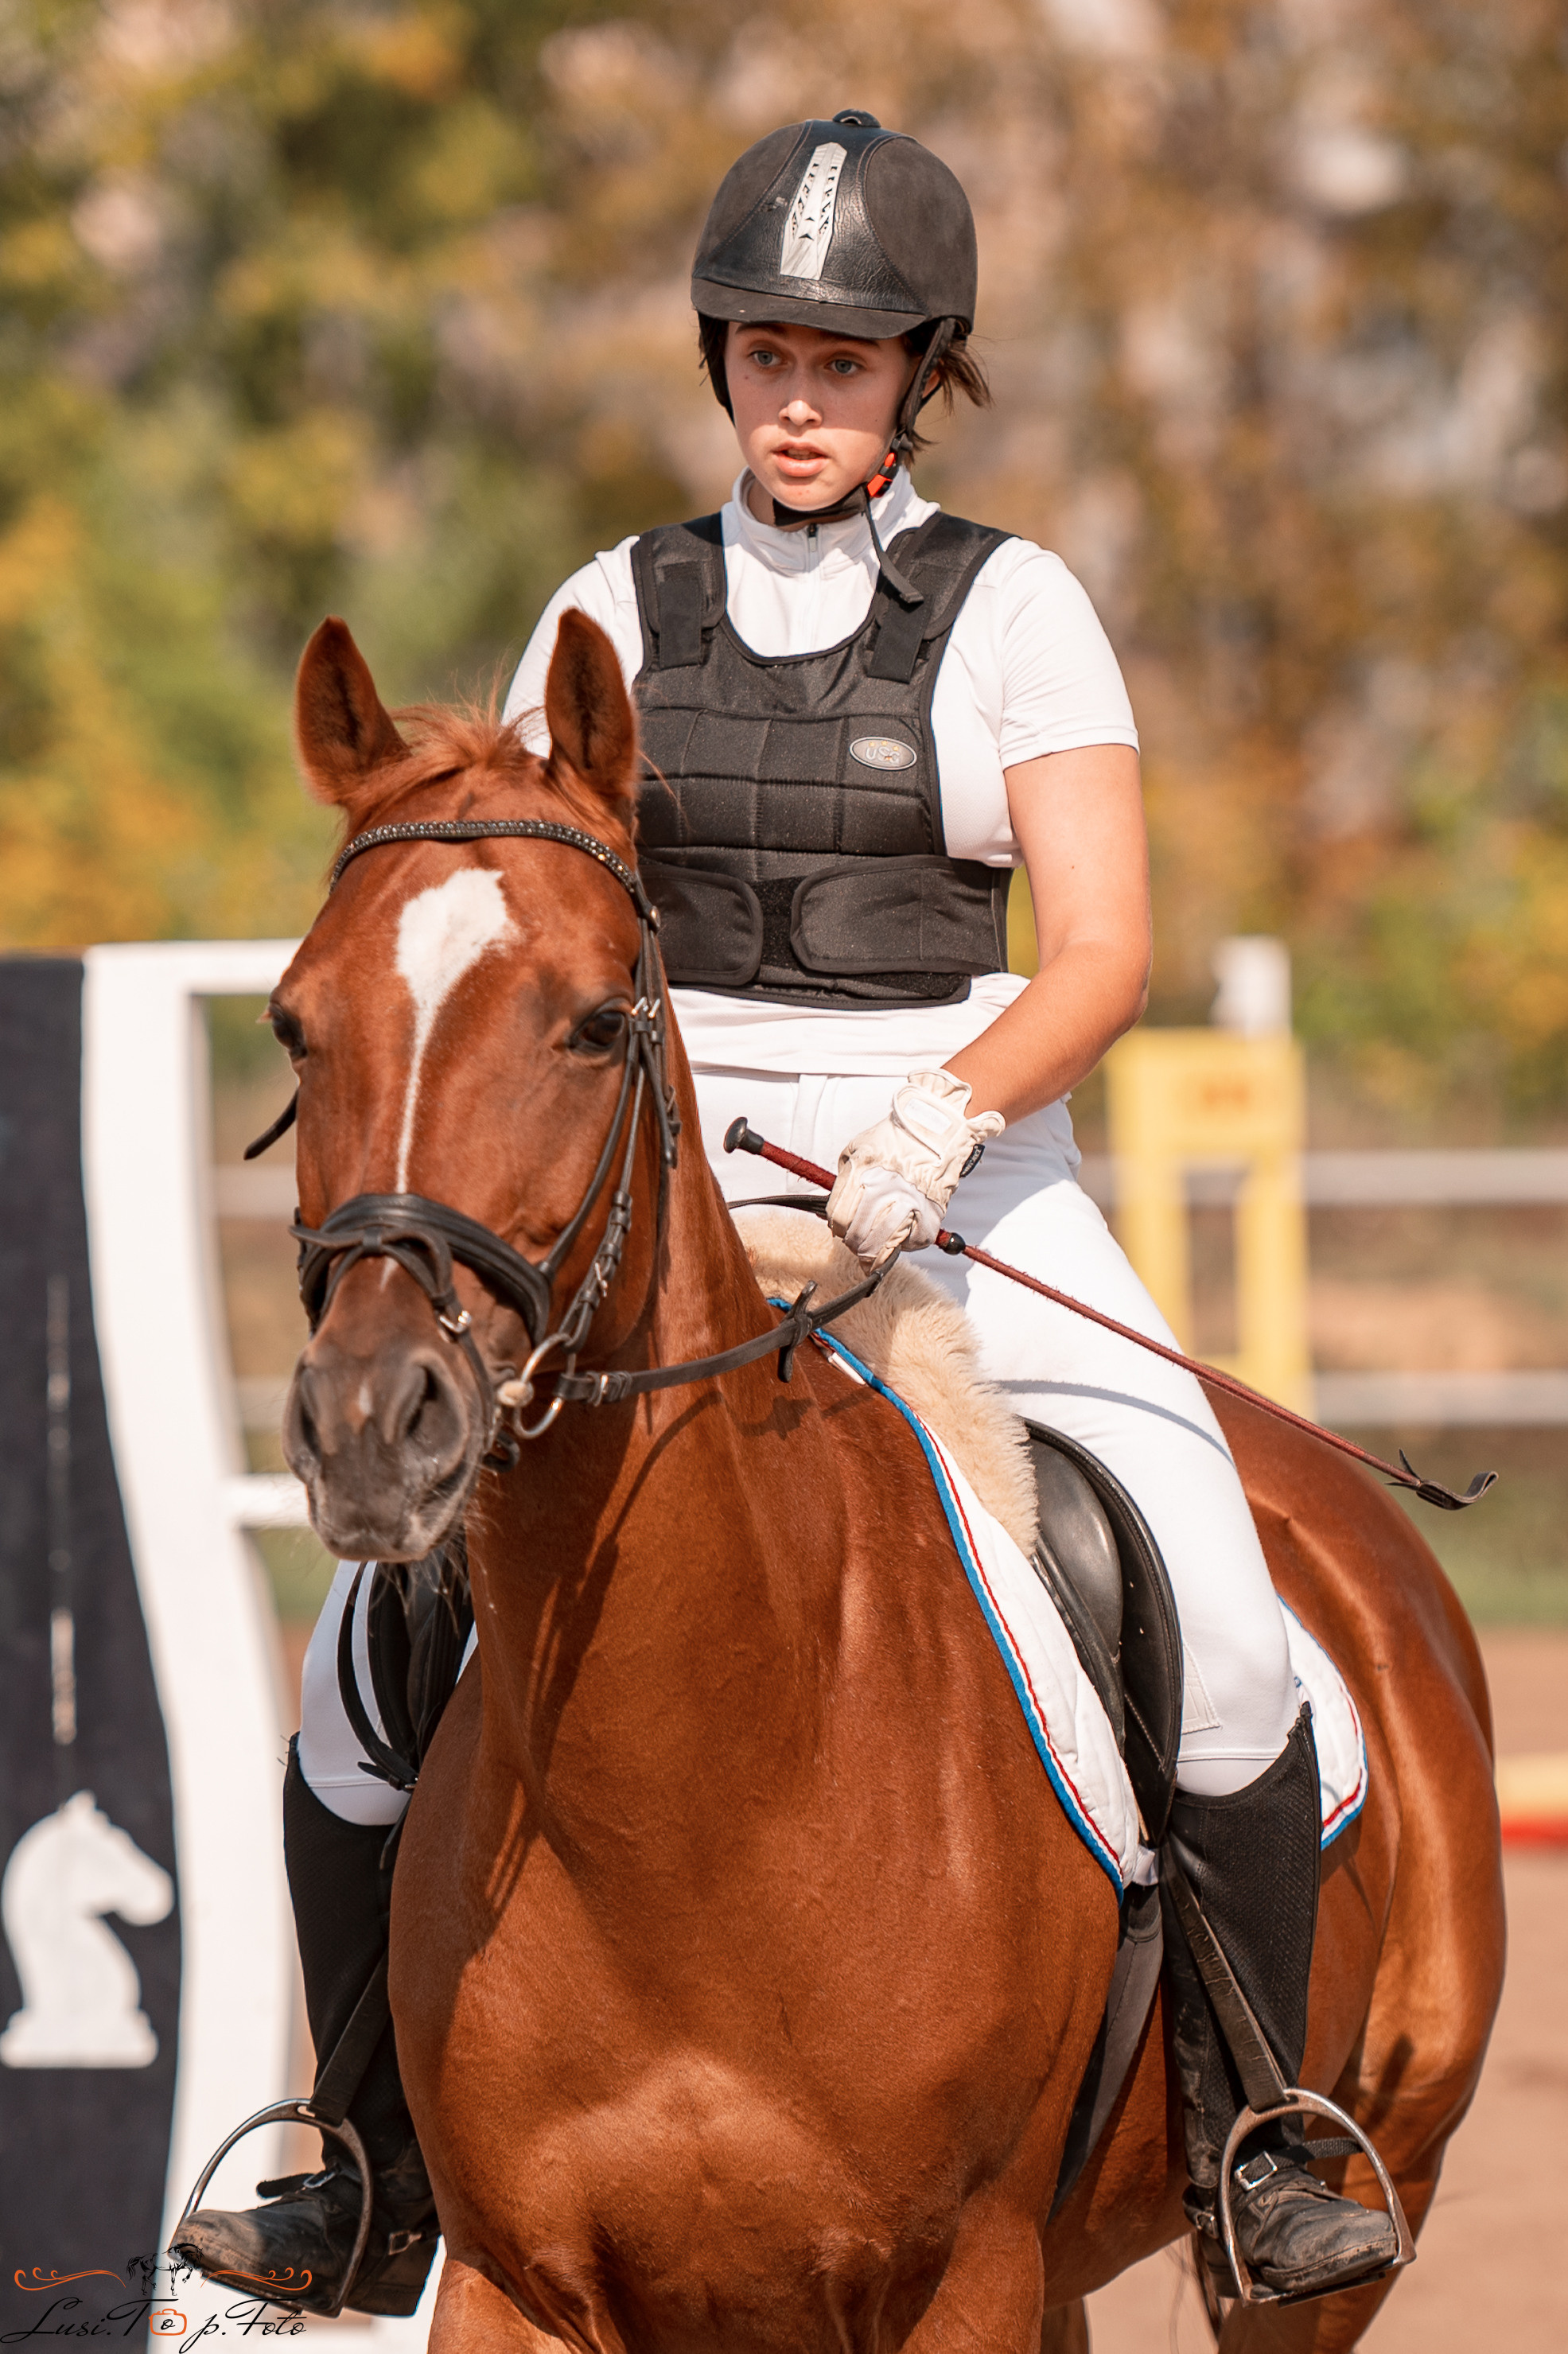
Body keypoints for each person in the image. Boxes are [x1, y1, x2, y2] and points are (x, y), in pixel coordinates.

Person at [178, 112, 1397, 2313]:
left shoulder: (1014, 608)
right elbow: (525, 908)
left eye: (844, 358)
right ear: (719, 360)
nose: (800, 396)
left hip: (965, 1155)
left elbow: (1103, 945)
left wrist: (938, 1123)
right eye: (763, 352)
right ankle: (354, 2160)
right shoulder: (605, 605)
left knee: (1211, 1612)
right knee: (364, 1665)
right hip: (649, 1159)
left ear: (918, 366)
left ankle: (1253, 2134)